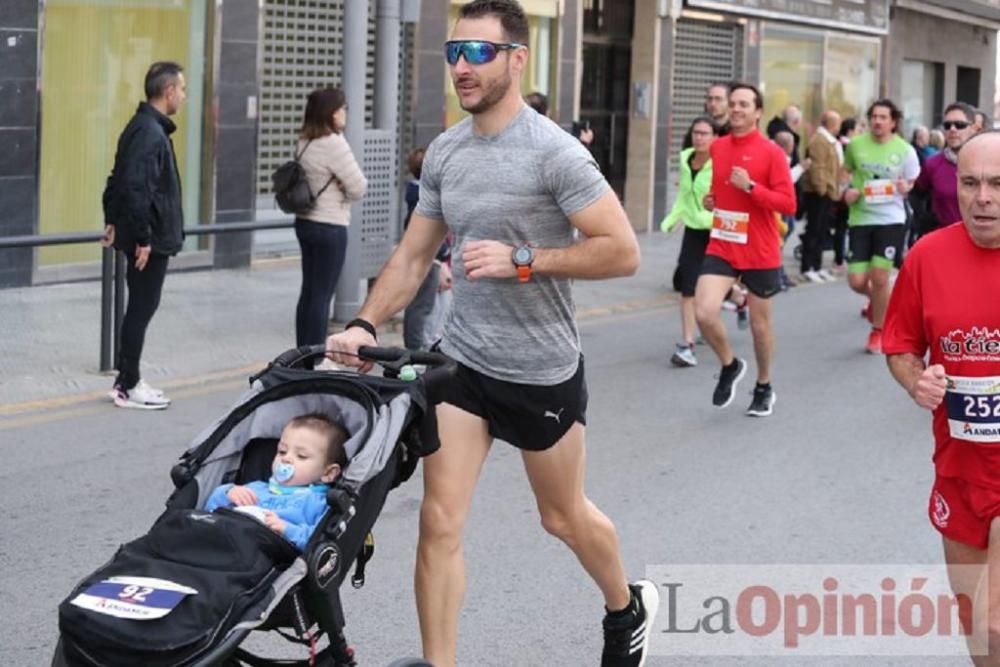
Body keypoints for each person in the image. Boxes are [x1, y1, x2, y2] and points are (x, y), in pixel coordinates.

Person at [326, 2, 655, 666]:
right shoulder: (448, 152)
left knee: (561, 517)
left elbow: (622, 251)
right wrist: (364, 323)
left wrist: (526, 260)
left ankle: (625, 606)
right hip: (464, 362)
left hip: (541, 369)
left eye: (478, 53)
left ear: (517, 58)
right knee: (438, 521)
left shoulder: (554, 154)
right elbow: (414, 256)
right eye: (454, 52)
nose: (462, 67)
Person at [882, 129, 1000, 662]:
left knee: (996, 620)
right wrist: (916, 380)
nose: (984, 198)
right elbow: (900, 347)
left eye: (998, 184)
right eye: (972, 182)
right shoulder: (928, 257)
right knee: (976, 629)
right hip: (958, 470)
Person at [695, 82, 796, 417]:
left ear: (758, 112)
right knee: (704, 311)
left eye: (743, 104)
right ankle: (729, 364)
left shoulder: (771, 153)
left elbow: (788, 203)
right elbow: (718, 192)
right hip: (723, 242)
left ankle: (764, 385)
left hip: (759, 248)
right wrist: (712, 200)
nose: (736, 109)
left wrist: (752, 187)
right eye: (733, 103)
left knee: (759, 326)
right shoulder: (719, 147)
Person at [102, 62, 187, 410]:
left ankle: (128, 378)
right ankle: (128, 384)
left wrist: (111, 219)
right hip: (147, 241)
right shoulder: (150, 132)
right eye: (182, 89)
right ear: (168, 92)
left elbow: (117, 178)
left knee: (138, 307)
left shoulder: (141, 127)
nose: (183, 96)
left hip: (141, 235)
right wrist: (143, 238)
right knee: (141, 308)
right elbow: (137, 188)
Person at [292, 87, 367, 365]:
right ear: (331, 113)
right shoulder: (334, 143)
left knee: (309, 292)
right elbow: (359, 187)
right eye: (342, 108)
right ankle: (316, 358)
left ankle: (302, 354)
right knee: (322, 296)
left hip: (305, 223)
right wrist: (343, 189)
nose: (345, 112)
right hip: (330, 226)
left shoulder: (304, 141)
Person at [841, 99, 920, 354]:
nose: (877, 121)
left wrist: (905, 188)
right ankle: (877, 301)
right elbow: (845, 173)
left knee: (879, 276)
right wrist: (846, 192)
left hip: (890, 219)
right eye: (874, 116)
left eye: (883, 117)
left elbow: (912, 181)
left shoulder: (905, 150)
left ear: (893, 122)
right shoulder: (855, 146)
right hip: (860, 218)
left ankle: (878, 331)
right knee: (856, 281)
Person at [205, 413, 348, 551]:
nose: (286, 459)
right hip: (225, 538)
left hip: (264, 554)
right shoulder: (256, 488)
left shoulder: (318, 503)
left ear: (328, 473)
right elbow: (210, 511)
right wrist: (227, 492)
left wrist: (287, 529)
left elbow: (319, 543)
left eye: (301, 456)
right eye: (282, 451)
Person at [661, 116, 717, 367]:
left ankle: (739, 299)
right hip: (694, 231)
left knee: (716, 286)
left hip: (716, 231)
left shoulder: (720, 164)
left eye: (705, 133)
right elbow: (684, 197)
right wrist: (672, 219)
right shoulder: (685, 159)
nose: (700, 137)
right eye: (696, 133)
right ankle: (687, 344)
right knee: (688, 287)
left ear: (714, 137)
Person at [403, 147, 453, 350]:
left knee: (430, 303)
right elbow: (430, 233)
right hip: (431, 259)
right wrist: (442, 257)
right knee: (424, 305)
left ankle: (427, 343)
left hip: (433, 258)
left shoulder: (415, 193)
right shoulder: (423, 198)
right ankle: (420, 347)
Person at [913, 103, 978, 239]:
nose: (952, 129)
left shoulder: (990, 162)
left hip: (983, 241)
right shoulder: (933, 164)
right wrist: (926, 220)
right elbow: (916, 193)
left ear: (973, 128)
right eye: (947, 125)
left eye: (959, 124)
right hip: (944, 241)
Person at [800, 110, 842, 283]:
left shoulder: (828, 140)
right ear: (831, 124)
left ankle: (817, 266)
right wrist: (822, 189)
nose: (839, 127)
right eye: (837, 123)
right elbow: (818, 167)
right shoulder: (819, 140)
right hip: (818, 193)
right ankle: (807, 266)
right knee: (814, 229)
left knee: (821, 230)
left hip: (827, 191)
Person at [829, 117, 862, 273]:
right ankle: (840, 258)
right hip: (846, 190)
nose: (860, 134)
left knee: (843, 226)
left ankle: (841, 257)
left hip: (844, 189)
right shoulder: (847, 146)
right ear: (850, 131)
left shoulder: (841, 145)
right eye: (858, 130)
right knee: (843, 226)